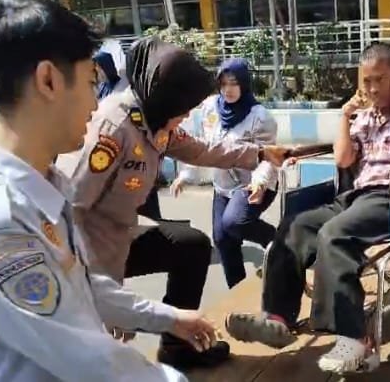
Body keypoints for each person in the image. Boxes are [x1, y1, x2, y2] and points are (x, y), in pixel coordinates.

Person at [0, 0, 220, 381]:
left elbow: (75, 284)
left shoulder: (40, 187)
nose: (96, 104)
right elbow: (88, 362)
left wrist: (168, 318)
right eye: (90, 82)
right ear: (48, 80)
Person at [68, 36, 290, 371]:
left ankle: (178, 349)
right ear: (165, 97)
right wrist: (108, 299)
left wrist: (260, 153)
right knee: (101, 357)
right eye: (183, 108)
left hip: (122, 233)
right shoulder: (111, 129)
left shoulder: (155, 118)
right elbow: (71, 216)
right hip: (85, 253)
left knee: (192, 246)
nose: (186, 116)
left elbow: (202, 150)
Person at [225, 42, 390, 373]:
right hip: (357, 196)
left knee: (334, 233)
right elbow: (343, 159)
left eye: (380, 80)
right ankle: (277, 318)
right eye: (366, 81)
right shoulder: (362, 119)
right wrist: (344, 115)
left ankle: (354, 338)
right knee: (296, 225)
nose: (372, 88)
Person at [171, 58, 279, 289]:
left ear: (245, 84)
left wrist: (259, 183)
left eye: (234, 83)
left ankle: (279, 241)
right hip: (223, 186)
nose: (228, 90)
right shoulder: (210, 108)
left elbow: (268, 157)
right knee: (222, 239)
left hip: (253, 183)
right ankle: (237, 290)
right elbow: (200, 145)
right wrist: (186, 175)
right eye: (223, 84)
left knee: (234, 222)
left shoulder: (259, 117)